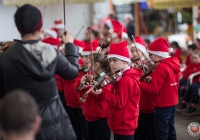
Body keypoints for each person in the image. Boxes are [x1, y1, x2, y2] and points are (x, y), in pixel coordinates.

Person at [0, 4, 78, 140]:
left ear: (18, 28)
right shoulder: (51, 52)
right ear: (40, 28)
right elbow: (72, 72)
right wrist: (69, 45)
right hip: (53, 123)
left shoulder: (5, 57)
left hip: (19, 123)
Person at [92, 41, 143, 140]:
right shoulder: (121, 76)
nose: (111, 64)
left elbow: (119, 102)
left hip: (124, 124)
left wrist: (103, 92)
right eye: (110, 60)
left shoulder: (126, 80)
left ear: (124, 61)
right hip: (122, 123)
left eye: (115, 60)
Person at [140, 37, 181, 140]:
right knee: (171, 129)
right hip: (172, 102)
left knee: (161, 132)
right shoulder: (174, 63)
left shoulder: (161, 67)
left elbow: (154, 89)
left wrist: (139, 83)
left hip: (162, 104)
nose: (149, 57)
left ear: (159, 54)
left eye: (151, 55)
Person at [77, 53, 111, 140]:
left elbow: (105, 95)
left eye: (89, 63)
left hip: (100, 117)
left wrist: (91, 88)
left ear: (96, 64)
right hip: (88, 115)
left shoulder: (105, 77)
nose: (86, 65)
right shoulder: (90, 76)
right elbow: (78, 90)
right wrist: (81, 84)